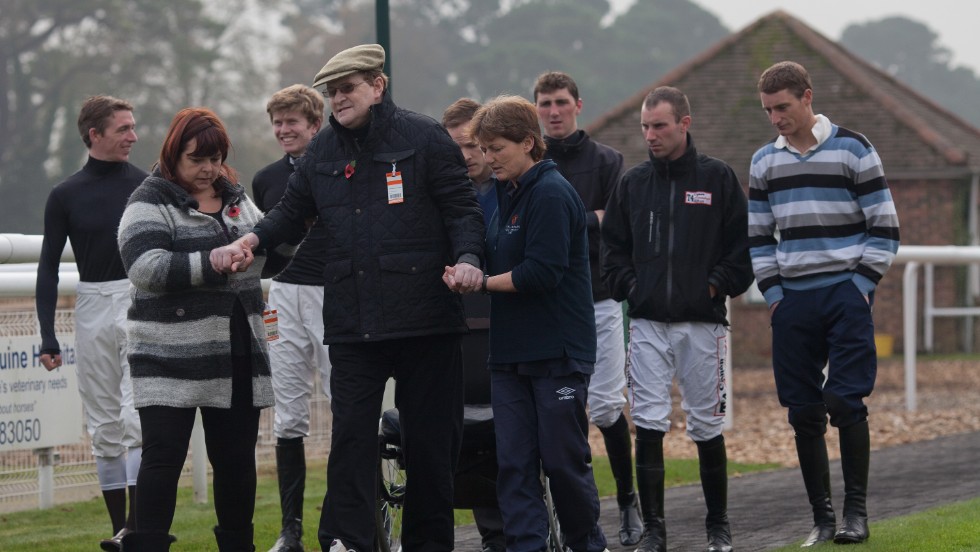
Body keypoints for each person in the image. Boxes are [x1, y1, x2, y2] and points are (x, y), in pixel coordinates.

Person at [209, 44, 485, 552]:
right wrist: (250, 242)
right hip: (353, 320)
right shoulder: (321, 152)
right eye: (331, 92)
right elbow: (289, 214)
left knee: (430, 447)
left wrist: (468, 258)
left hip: (426, 319)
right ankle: (354, 543)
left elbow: (463, 210)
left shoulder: (425, 138)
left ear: (377, 87)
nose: (338, 100)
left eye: (348, 89)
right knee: (352, 443)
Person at [117, 107, 282, 551]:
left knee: (235, 462)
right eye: (197, 159)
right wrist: (214, 262)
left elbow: (265, 248)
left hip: (239, 351)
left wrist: (273, 243)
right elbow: (145, 267)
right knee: (163, 459)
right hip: (167, 356)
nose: (209, 169)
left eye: (216, 158)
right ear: (174, 154)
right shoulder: (147, 201)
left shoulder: (236, 198)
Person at [750, 61, 900, 547]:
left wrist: (859, 286)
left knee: (844, 400)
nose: (776, 118)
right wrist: (773, 295)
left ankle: (856, 513)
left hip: (844, 293)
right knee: (802, 412)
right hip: (792, 299)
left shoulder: (854, 148)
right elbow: (757, 237)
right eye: (769, 110)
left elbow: (885, 227)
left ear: (807, 97)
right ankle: (822, 517)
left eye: (783, 107)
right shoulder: (763, 162)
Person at [601, 86, 753, 552]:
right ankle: (654, 532)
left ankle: (718, 527)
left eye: (659, 126)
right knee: (647, 423)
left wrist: (711, 286)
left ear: (684, 123)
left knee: (707, 426)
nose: (650, 135)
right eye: (645, 127)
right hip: (646, 325)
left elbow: (741, 252)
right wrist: (633, 289)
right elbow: (612, 253)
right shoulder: (632, 183)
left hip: (703, 326)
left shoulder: (718, 179)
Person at [456, 94, 607, 552]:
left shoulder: (552, 192)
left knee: (562, 462)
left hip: (558, 353)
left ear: (528, 142)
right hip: (509, 356)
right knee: (514, 465)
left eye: (496, 148)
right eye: (483, 149)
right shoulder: (503, 192)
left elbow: (542, 273)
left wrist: (482, 283)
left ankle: (586, 543)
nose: (488, 158)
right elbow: (489, 247)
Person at [532, 71, 641, 546]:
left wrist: (565, 216)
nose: (553, 112)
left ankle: (629, 502)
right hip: (544, 304)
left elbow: (618, 222)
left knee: (605, 406)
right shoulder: (529, 160)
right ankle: (575, 514)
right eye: (544, 104)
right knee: (559, 414)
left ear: (578, 105)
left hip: (599, 300)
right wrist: (586, 216)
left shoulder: (608, 161)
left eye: (560, 102)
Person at [34, 95, 145, 552]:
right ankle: (120, 530)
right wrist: (47, 335)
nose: (133, 136)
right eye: (123, 129)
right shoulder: (64, 194)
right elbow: (47, 268)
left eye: (133, 127)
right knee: (103, 422)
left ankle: (139, 528)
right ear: (94, 135)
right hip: (92, 302)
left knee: (136, 412)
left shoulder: (147, 185)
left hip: (140, 299)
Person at [253, 84, 330, 552]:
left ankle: (347, 519)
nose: (284, 130)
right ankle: (291, 529)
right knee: (288, 413)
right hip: (283, 298)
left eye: (292, 122)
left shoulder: (338, 168)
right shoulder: (265, 179)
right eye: (277, 123)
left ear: (314, 125)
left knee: (347, 404)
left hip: (334, 295)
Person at [441, 97, 503, 552]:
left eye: (470, 145)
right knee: (469, 434)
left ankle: (505, 532)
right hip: (456, 327)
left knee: (502, 433)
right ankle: (490, 535)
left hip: (501, 322)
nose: (464, 156)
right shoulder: (442, 196)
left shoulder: (510, 191)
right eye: (455, 147)